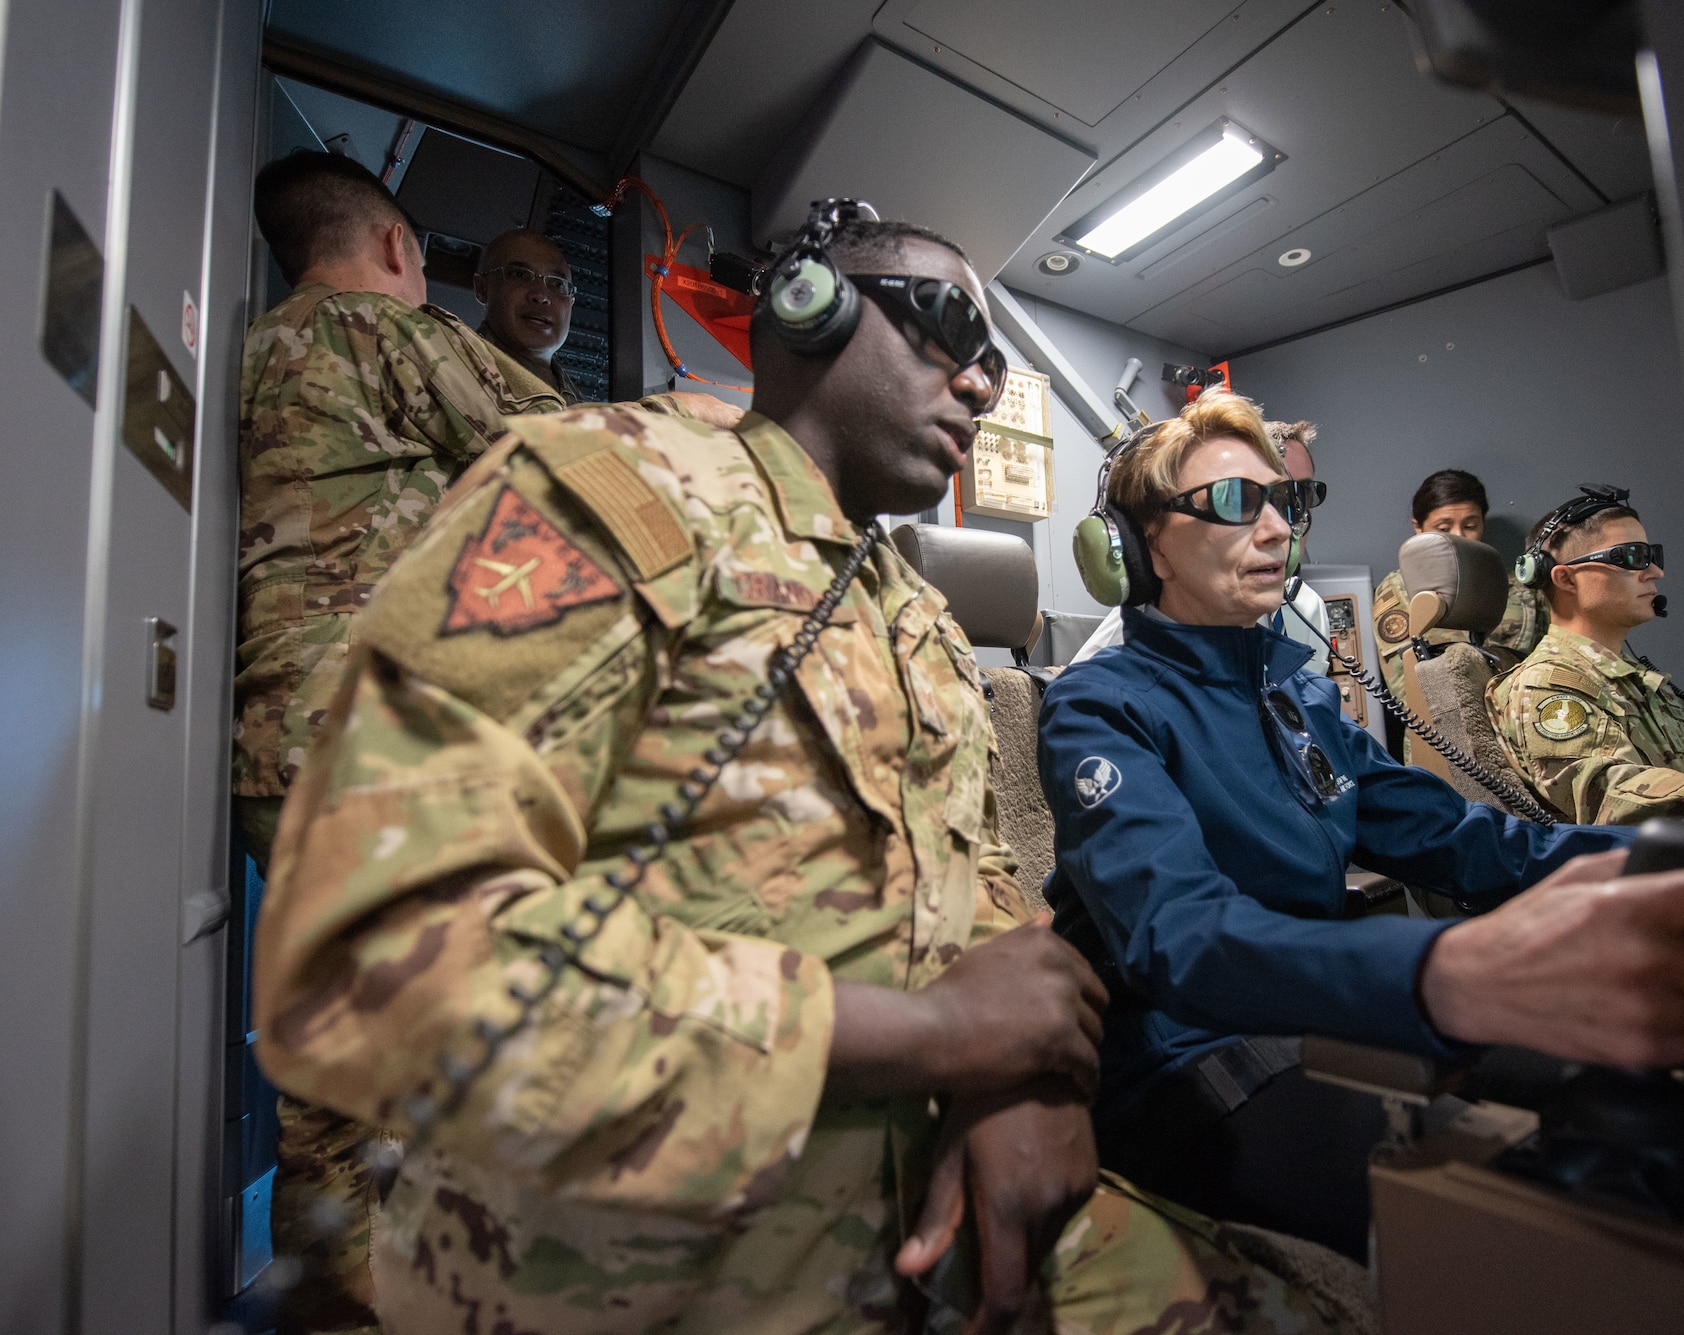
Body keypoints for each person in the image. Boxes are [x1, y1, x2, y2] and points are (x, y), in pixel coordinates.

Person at [252, 207, 1327, 1334]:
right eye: (947, 327)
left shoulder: (915, 616)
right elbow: (380, 961)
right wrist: (930, 1039)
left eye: (993, 365)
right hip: (649, 1259)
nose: (976, 384)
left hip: (934, 1211)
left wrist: (1024, 1082)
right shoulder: (613, 490)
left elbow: (991, 889)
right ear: (803, 311)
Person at [1038, 394, 1684, 1261]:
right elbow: (1182, 940)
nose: (1278, 531)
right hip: (1186, 1052)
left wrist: (1665, 856)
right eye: (1237, 503)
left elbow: (1463, 839)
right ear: (1141, 542)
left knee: (1656, 1109)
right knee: (1507, 1233)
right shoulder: (1099, 707)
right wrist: (1448, 968)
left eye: (1289, 503)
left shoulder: (1295, 692)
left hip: (1319, 1007)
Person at [236, 150, 739, 1335]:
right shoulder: (387, 334)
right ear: (401, 248)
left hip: (272, 749)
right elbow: (579, 455)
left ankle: (333, 1293)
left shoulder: (257, 353)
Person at [1488, 487, 1684, 824]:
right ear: (1565, 578)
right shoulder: (1545, 685)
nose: (1655, 572)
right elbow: (1613, 796)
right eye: (1632, 556)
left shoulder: (1635, 680)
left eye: (1653, 555)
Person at [1072, 411, 1331, 672]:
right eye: (1239, 501)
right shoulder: (1109, 696)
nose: (1282, 527)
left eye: (1296, 496)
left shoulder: (1309, 612)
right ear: (1152, 546)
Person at [1372, 468, 1548, 704]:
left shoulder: (1521, 592)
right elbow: (1408, 691)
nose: (1458, 537)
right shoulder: (1400, 590)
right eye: (1443, 529)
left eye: (1470, 525)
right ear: (1419, 528)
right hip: (1437, 730)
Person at [474, 226, 585, 402]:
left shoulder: (578, 404)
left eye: (557, 284)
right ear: (482, 288)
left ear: (571, 303)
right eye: (520, 275)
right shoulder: (454, 372)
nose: (541, 296)